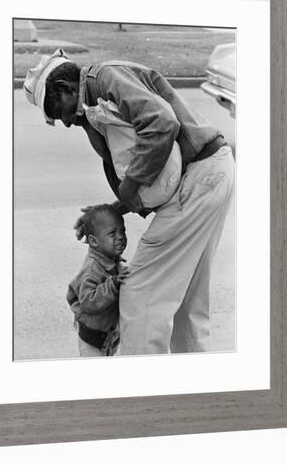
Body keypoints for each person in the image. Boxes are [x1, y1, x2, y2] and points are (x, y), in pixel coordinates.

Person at [24, 48, 235, 355]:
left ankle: (140, 389)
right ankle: (194, 388)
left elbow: (161, 123)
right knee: (187, 302)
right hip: (211, 173)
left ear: (66, 89)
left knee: (140, 295)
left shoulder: (105, 77)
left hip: (199, 180)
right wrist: (114, 208)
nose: (66, 122)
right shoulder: (96, 96)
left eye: (60, 112)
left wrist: (130, 186)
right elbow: (149, 175)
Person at [66, 204, 128, 357]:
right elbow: (89, 302)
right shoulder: (91, 270)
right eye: (113, 233)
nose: (120, 237)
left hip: (109, 335)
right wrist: (112, 285)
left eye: (123, 231)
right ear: (94, 242)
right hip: (92, 339)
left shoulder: (110, 260)